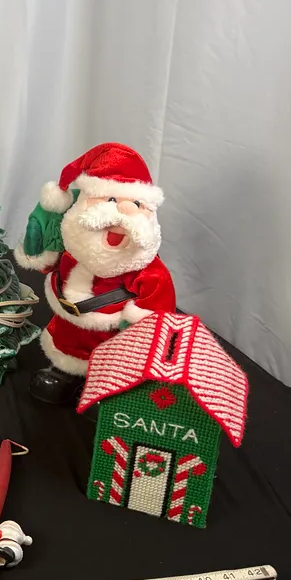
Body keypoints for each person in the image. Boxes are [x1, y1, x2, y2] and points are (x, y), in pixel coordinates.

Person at [14, 143, 177, 403]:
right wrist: (41, 240)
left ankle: (105, 383)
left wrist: (138, 336)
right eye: (111, 200)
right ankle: (65, 372)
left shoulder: (149, 273)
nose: (124, 212)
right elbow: (44, 261)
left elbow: (158, 308)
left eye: (136, 203)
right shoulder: (70, 252)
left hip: (112, 347)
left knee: (111, 369)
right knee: (59, 364)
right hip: (69, 335)